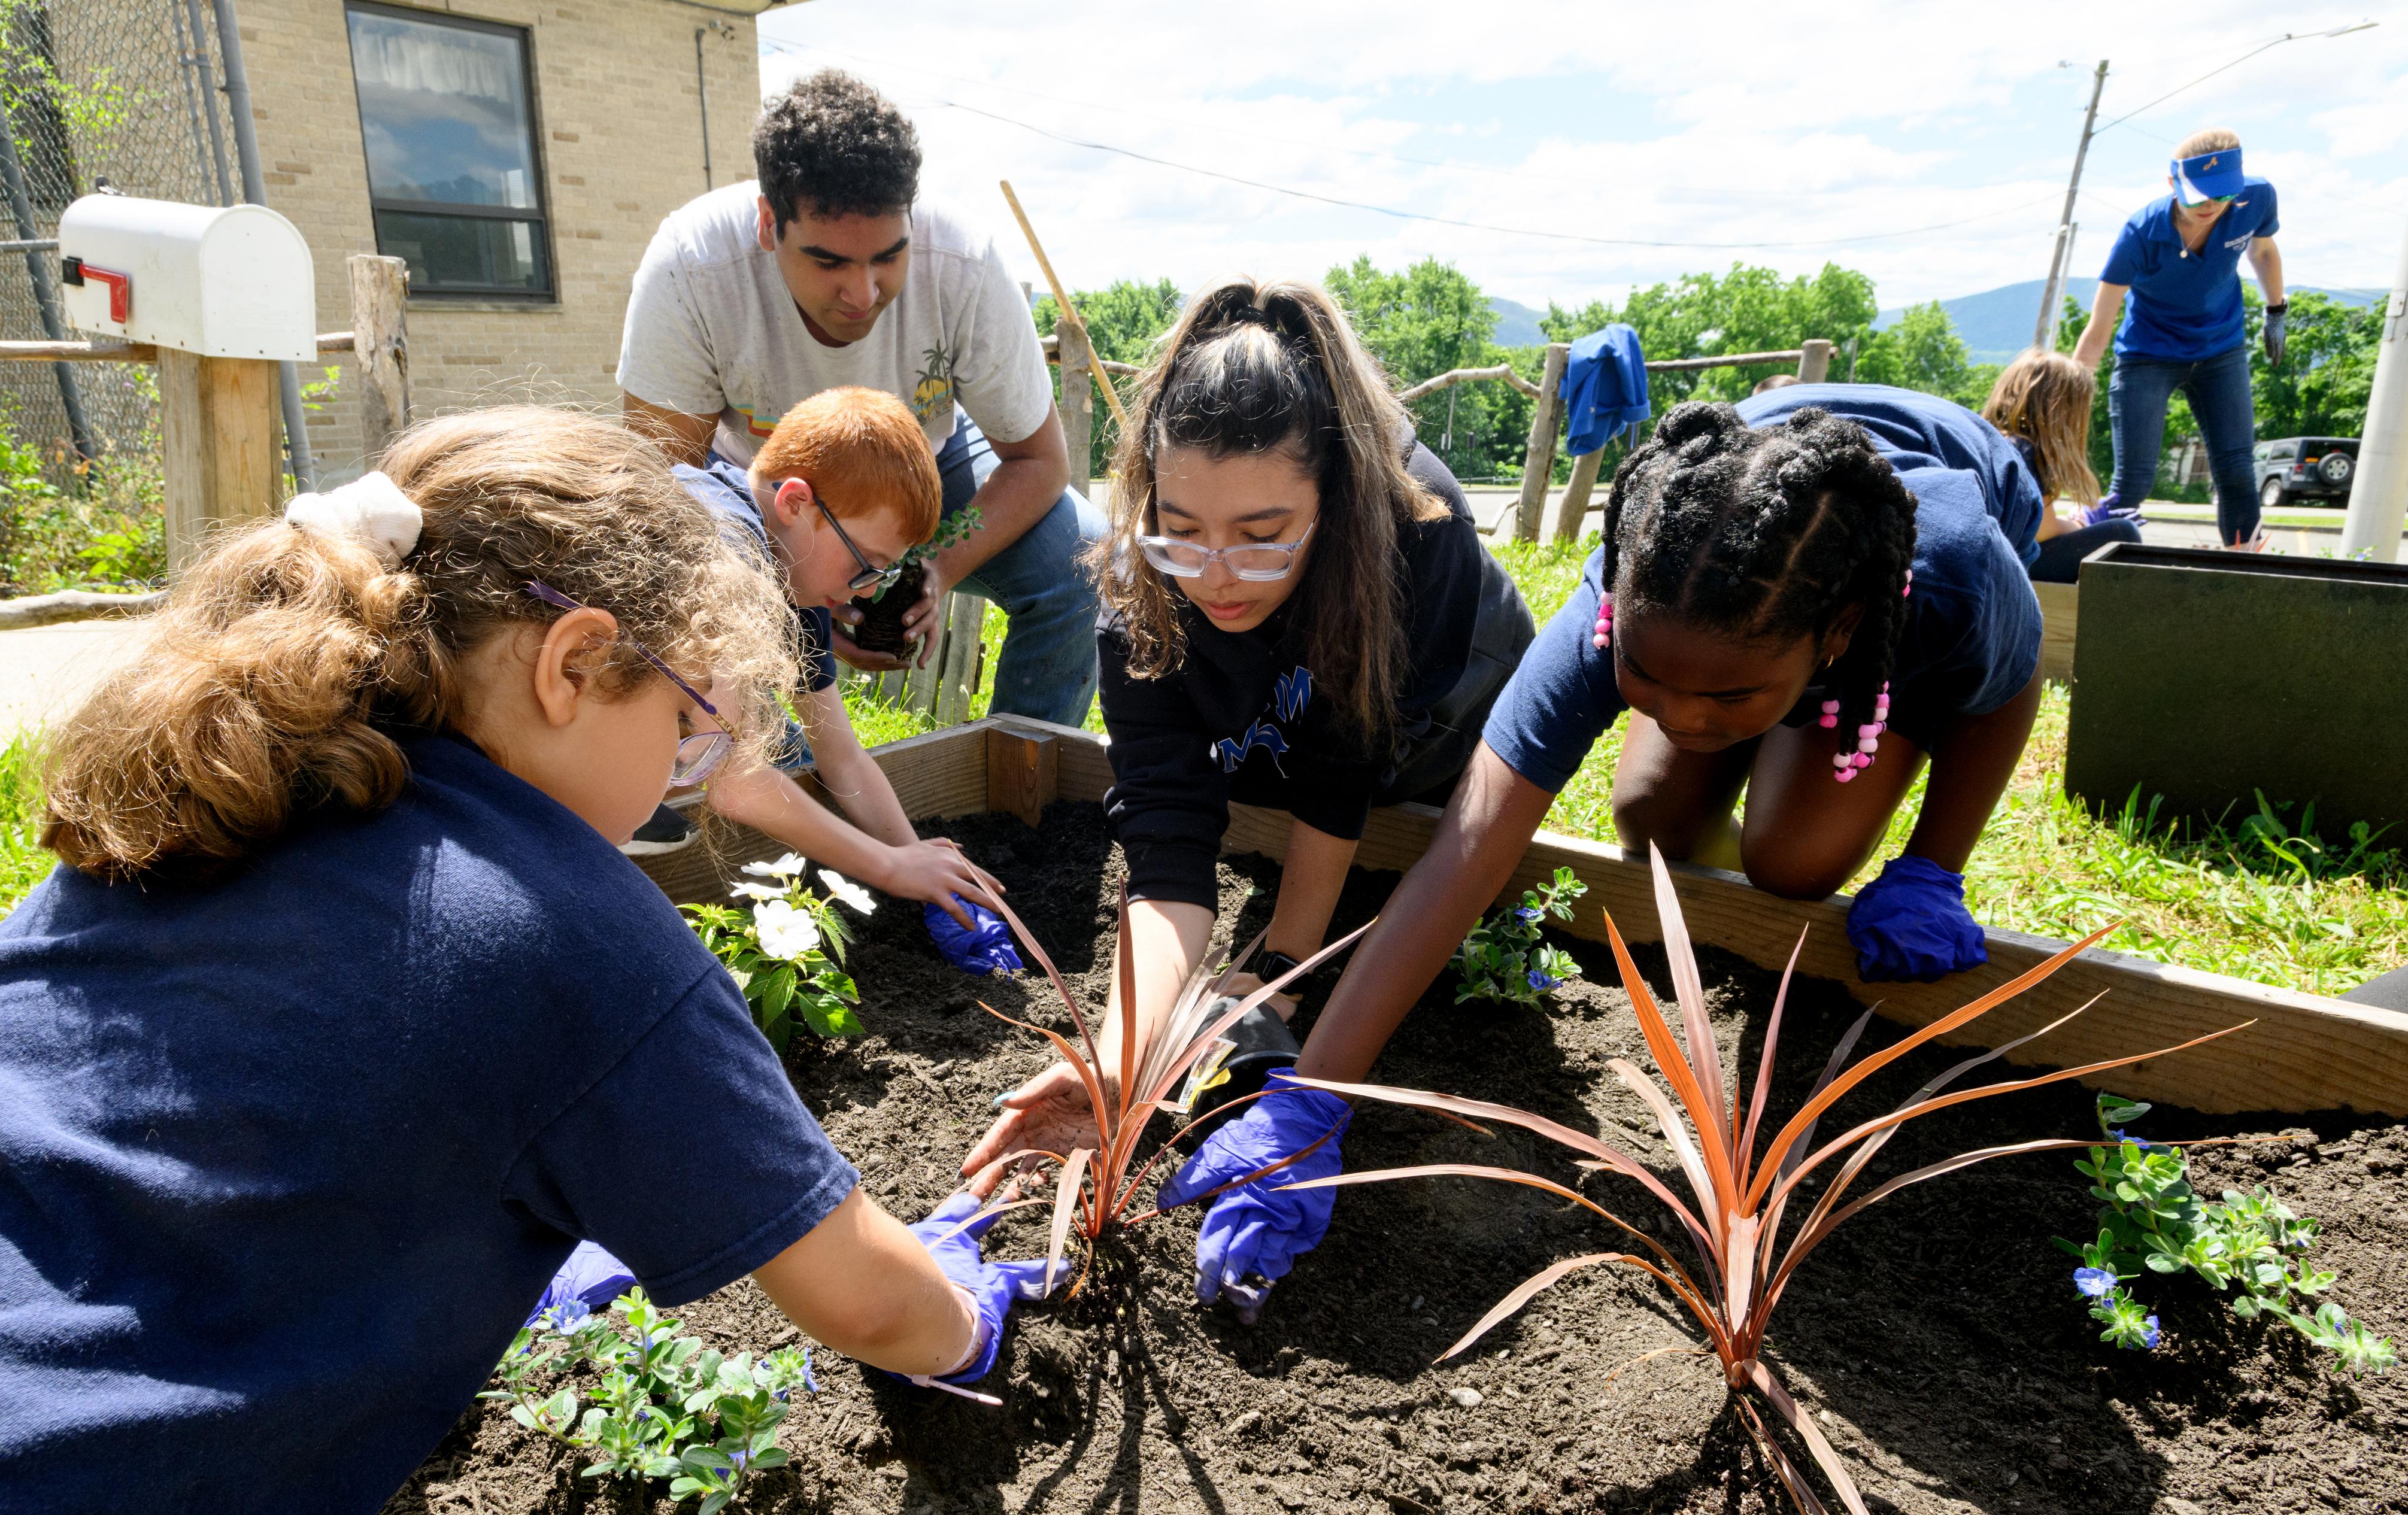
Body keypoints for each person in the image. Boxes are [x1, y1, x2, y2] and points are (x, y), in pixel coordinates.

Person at [0, 410, 1045, 1515]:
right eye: (689, 732)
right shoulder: (565, 931)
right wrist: (964, 1310)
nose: (685, 784)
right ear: (576, 665)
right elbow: (866, 1300)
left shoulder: (225, 785)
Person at [1139, 386, 2049, 1314]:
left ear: (1837, 638)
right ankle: (1740, 703)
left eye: (1726, 701)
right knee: (1651, 812)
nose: (1688, 718)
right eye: (1646, 679)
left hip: (1909, 581)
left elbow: (2009, 690)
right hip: (1750, 524)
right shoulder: (1633, 580)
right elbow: (1467, 847)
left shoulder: (1950, 576)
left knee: (1795, 860)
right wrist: (1311, 1100)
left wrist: (1936, 865)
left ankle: (1802, 741)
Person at [959, 277, 1538, 1298]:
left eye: (1264, 531)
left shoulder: (1418, 531)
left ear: (1339, 496)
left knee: (1391, 795)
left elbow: (1348, 757)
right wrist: (1122, 1056)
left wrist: (1281, 960)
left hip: (1445, 700)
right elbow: (1171, 827)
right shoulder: (1143, 581)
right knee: (1260, 735)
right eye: (1181, 527)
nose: (1216, 574)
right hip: (1292, 707)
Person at [617, 68, 1101, 726]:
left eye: (889, 257)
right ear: (768, 224)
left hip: (929, 462)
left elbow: (1041, 462)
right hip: (754, 486)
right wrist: (801, 598)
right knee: (698, 596)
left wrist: (938, 565)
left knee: (1083, 558)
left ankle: (1023, 780)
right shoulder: (692, 269)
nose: (864, 294)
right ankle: (780, 779)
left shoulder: (965, 265)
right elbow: (660, 500)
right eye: (829, 262)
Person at [667, 385, 1022, 970]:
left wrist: (925, 870)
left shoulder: (794, 569)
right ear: (798, 503)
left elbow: (842, 756)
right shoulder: (722, 548)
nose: (862, 593)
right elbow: (736, 779)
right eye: (865, 566)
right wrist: (887, 868)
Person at [2070, 127, 2284, 549]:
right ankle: (2073, 557)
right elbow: (2098, 329)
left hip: (2221, 350)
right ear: (2173, 184)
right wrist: (2069, 393)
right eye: (2197, 195)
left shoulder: (2256, 198)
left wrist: (2276, 310)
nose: (2211, 206)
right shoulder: (2141, 232)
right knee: (2133, 481)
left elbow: (2262, 251)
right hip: (2149, 355)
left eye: (2222, 195)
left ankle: (2244, 574)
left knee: (2238, 470)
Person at [1982, 347, 2142, 582]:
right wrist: (2083, 523)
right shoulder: (2024, 449)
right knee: (2123, 534)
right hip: (1998, 571)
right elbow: (2042, 532)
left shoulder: (1994, 439)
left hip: (1981, 561)